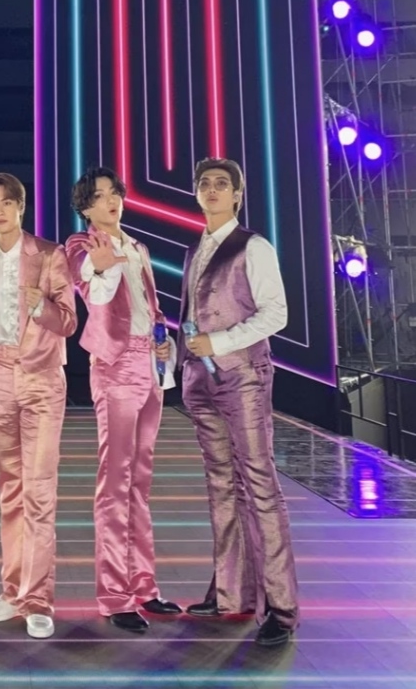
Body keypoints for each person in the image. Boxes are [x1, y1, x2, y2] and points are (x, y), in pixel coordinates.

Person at [180, 157, 298, 647]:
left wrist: (222, 342)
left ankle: (281, 609)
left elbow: (277, 313)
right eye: (204, 183)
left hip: (244, 376)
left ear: (237, 195)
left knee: (260, 487)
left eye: (221, 184)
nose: (212, 189)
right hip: (201, 381)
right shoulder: (195, 249)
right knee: (221, 486)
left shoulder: (254, 246)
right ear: (196, 193)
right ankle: (231, 592)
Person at [64, 166, 180, 632]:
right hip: (114, 367)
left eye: (114, 193)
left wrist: (164, 343)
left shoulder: (138, 247)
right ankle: (114, 595)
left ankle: (144, 586)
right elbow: (93, 290)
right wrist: (103, 264)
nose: (111, 201)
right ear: (85, 206)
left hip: (148, 363)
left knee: (140, 482)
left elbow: (151, 308)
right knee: (115, 481)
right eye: (99, 196)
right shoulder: (81, 245)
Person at [0, 171, 76, 639]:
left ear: (21, 206)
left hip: (42, 380)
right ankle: (12, 590)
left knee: (40, 492)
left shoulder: (50, 254)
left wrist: (39, 307)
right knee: (10, 492)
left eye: (6, 202)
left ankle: (38, 599)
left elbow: (68, 322)